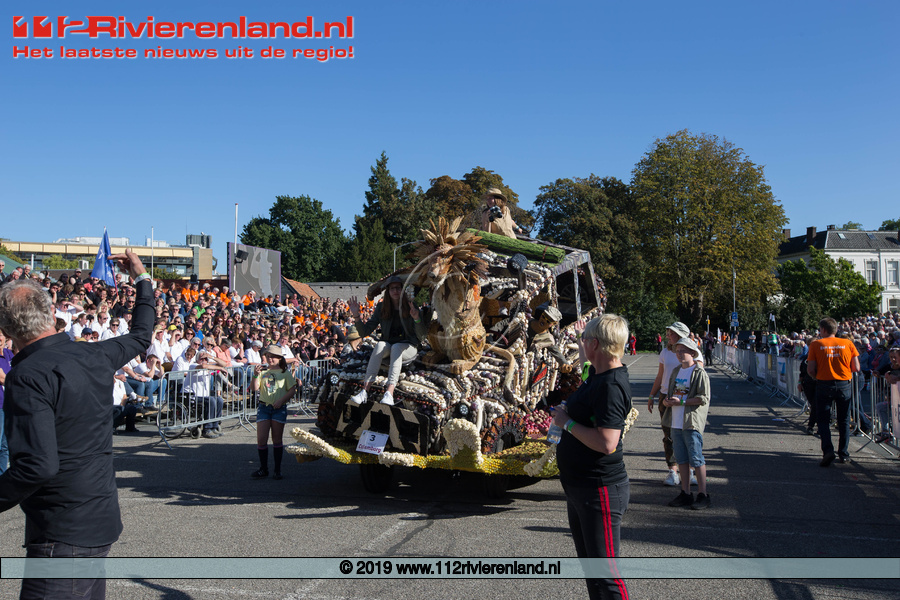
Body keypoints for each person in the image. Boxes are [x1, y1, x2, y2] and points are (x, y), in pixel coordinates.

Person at [0, 249, 153, 600]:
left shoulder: (27, 375)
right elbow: (142, 334)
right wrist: (142, 278)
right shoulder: (94, 354)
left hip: (62, 530)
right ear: (50, 312)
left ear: (7, 329)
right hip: (98, 518)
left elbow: (37, 466)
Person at [551, 313, 632, 600]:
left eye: (585, 340)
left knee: (606, 576)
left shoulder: (610, 385)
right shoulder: (597, 374)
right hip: (581, 487)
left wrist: (567, 423)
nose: (582, 343)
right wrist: (580, 335)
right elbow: (587, 362)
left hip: (599, 490)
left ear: (595, 344)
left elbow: (607, 443)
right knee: (593, 571)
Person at [347, 276, 426, 406]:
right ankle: (364, 391)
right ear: (388, 291)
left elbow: (422, 336)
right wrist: (356, 316)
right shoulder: (381, 307)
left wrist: (417, 318)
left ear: (403, 290)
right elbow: (365, 332)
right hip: (389, 345)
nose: (395, 291)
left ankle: (389, 393)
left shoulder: (411, 306)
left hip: (409, 347)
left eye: (398, 288)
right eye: (392, 288)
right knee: (380, 345)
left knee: (397, 347)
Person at [663, 337, 712, 510]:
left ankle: (703, 494)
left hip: (691, 422)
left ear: (692, 352)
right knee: (681, 459)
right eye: (677, 351)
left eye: (682, 351)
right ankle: (685, 493)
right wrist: (667, 401)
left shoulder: (699, 372)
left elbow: (703, 398)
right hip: (676, 421)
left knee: (696, 458)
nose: (679, 354)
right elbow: (671, 394)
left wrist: (682, 402)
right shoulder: (676, 371)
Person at [807, 317, 860, 467]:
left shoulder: (816, 344)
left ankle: (828, 450)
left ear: (823, 329)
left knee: (823, 420)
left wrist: (817, 376)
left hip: (824, 383)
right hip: (844, 384)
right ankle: (844, 453)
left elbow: (810, 369)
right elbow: (856, 367)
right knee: (844, 420)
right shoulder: (848, 343)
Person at [648, 321, 694, 486]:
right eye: (668, 332)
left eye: (671, 333)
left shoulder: (692, 351)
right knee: (669, 436)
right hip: (666, 397)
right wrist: (652, 395)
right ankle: (672, 471)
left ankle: (689, 471)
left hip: (685, 398)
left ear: (681, 335)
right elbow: (660, 376)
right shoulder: (665, 352)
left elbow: (698, 374)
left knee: (687, 435)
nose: (668, 335)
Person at [249, 345, 299, 480]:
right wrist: (255, 374)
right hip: (264, 407)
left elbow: (292, 390)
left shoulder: (284, 372)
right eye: (269, 356)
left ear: (279, 358)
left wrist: (281, 400)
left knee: (277, 439)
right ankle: (263, 468)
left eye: (274, 357)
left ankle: (277, 470)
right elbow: (254, 388)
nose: (270, 359)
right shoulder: (263, 372)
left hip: (278, 408)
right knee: (261, 439)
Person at [0, 329, 12, 474]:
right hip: (0, 405)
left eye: (1, 336)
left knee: (5, 446)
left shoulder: (8, 354)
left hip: (8, 404)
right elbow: (3, 378)